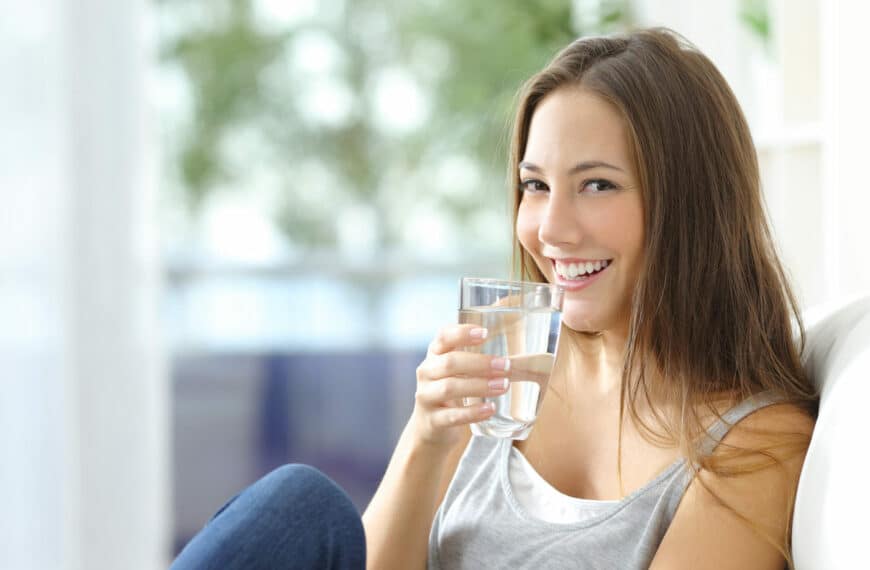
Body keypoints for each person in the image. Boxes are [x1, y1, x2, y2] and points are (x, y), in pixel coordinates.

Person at [171, 28, 817, 570]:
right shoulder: (509, 358)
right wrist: (427, 436)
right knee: (301, 508)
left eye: (596, 185)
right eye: (534, 186)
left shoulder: (757, 443)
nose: (551, 229)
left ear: (690, 208)